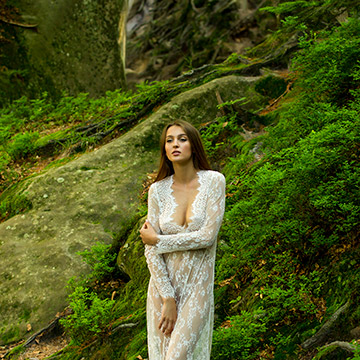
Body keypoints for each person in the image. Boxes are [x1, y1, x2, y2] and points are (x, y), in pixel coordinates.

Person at [140, 120, 226, 359]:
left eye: (182, 139)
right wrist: (167, 297)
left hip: (197, 286)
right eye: (169, 140)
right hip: (163, 288)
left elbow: (207, 237)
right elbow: (150, 250)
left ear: (194, 145)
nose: (175, 144)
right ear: (164, 150)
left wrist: (158, 240)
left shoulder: (214, 181)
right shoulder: (157, 191)